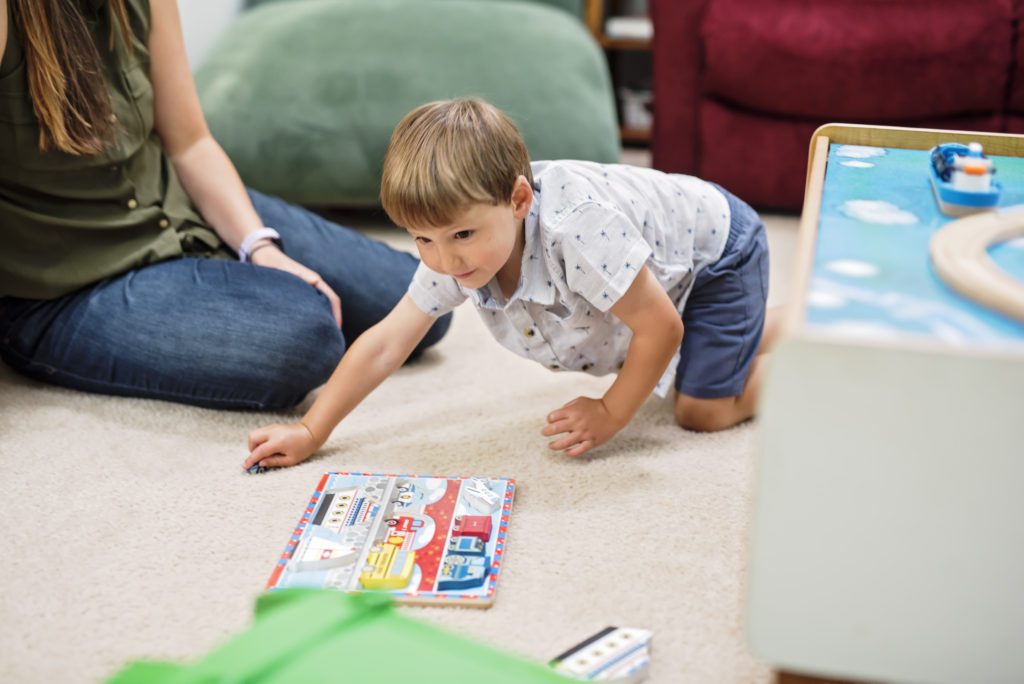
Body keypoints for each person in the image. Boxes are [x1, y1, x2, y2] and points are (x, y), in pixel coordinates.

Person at [245, 97, 780, 469]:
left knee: (700, 410)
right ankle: (764, 329)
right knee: (695, 362)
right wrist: (312, 430)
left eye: (461, 234)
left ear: (520, 201)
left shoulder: (579, 233)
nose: (445, 259)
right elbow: (387, 342)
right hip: (659, 269)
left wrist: (612, 411)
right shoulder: (452, 250)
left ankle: (802, 355)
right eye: (422, 239)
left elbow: (662, 328)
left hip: (716, 254)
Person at [0, 0, 449, 410]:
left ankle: (228, 274)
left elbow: (191, 144)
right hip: (72, 287)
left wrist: (260, 247)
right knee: (307, 338)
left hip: (180, 206)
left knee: (426, 298)